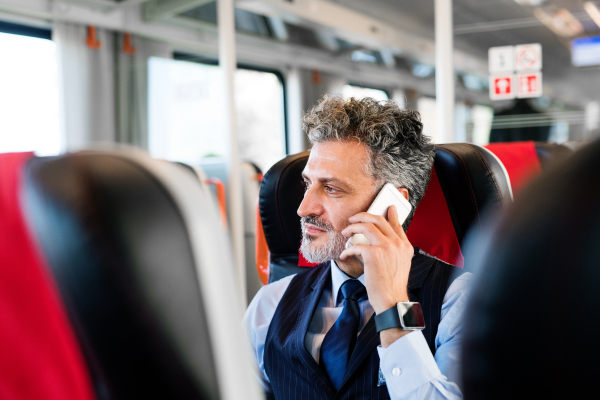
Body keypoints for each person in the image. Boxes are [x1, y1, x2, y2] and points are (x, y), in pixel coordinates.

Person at [244, 95, 471, 400]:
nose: (303, 208)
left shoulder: (460, 301)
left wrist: (393, 307)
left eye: (331, 188)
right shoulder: (270, 304)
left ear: (392, 204)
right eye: (307, 184)